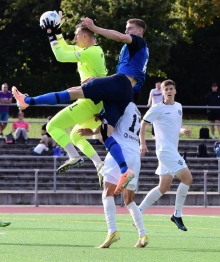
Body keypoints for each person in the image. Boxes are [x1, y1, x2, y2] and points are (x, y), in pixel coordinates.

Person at [12, 17, 149, 194]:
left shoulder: (137, 42)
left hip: (117, 86)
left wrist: (95, 27)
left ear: (139, 32)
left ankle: (27, 101)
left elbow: (119, 38)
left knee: (72, 92)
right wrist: (56, 30)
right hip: (124, 93)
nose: (126, 31)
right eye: (126, 28)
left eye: (130, 28)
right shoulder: (133, 53)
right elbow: (66, 50)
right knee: (105, 135)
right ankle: (125, 171)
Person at [78, 95, 149, 248]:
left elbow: (108, 126)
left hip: (120, 151)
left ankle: (112, 231)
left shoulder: (119, 102)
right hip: (134, 154)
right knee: (129, 200)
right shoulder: (135, 109)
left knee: (107, 192)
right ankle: (143, 234)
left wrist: (92, 131)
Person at [139, 79, 193, 231]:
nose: (169, 91)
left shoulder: (178, 106)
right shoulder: (157, 108)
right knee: (188, 179)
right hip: (165, 151)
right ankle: (177, 214)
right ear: (162, 92)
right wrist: (142, 143)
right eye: (166, 89)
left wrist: (184, 131)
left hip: (172, 150)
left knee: (163, 187)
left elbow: (178, 126)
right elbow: (143, 124)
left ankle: (138, 211)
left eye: (171, 89)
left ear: (175, 91)